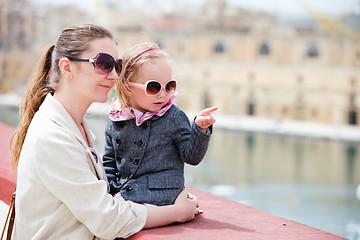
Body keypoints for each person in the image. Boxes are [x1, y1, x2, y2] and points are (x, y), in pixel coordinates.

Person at [10, 24, 200, 240]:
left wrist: (160, 195)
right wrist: (175, 212)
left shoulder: (73, 124)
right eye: (103, 64)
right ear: (67, 68)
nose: (113, 75)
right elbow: (106, 219)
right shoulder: (52, 137)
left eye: (116, 66)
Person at [103, 42, 218, 206]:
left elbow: (191, 157)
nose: (162, 94)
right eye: (153, 87)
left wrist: (200, 129)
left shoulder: (173, 116)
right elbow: (110, 161)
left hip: (163, 195)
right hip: (125, 194)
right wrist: (108, 190)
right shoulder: (116, 117)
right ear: (128, 88)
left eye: (169, 86)